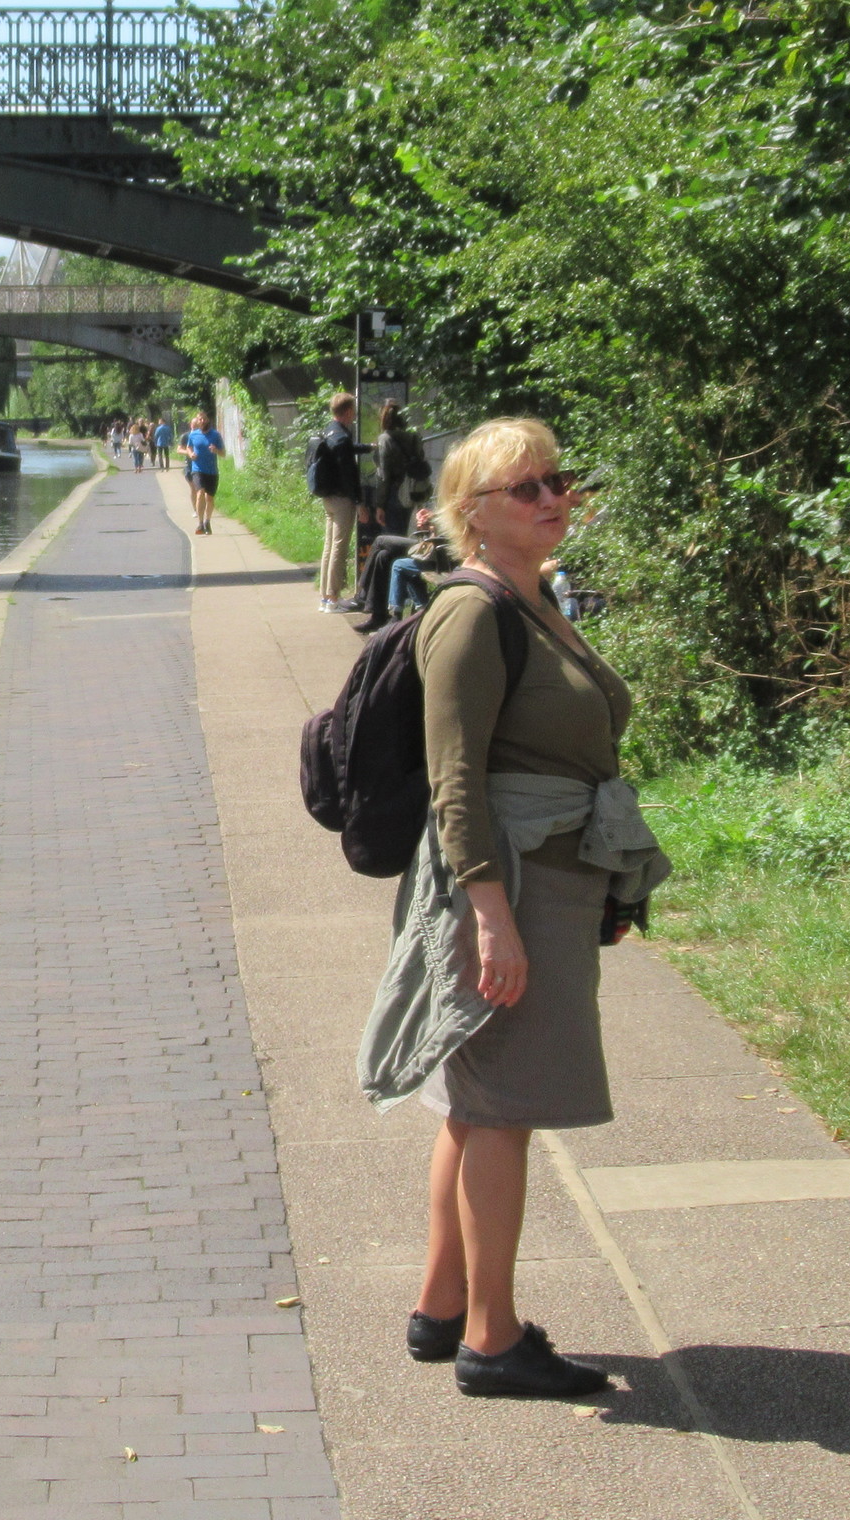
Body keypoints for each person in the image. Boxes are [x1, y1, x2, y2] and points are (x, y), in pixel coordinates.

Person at [357, 417, 666, 1399]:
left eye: (557, 481)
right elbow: (456, 780)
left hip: (551, 879)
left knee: (476, 1102)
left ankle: (444, 1305)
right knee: (503, 1109)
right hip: (510, 886)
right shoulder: (472, 612)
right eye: (525, 488)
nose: (551, 498)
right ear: (472, 513)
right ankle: (493, 1340)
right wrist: (490, 913)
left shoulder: (534, 600)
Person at [306, 391, 371, 613]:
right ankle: (333, 598)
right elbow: (349, 474)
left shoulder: (329, 430)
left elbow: (345, 449)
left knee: (329, 547)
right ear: (349, 411)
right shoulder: (342, 437)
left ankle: (325, 598)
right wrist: (359, 503)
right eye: (354, 410)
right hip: (343, 499)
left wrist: (369, 447)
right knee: (339, 549)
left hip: (328, 497)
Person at [371, 400, 431, 535]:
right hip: (412, 490)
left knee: (391, 537)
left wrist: (380, 505)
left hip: (394, 493)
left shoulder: (385, 439)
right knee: (403, 533)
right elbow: (420, 459)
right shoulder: (414, 437)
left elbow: (383, 476)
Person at [181, 411, 225, 534]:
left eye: (204, 419)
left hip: (212, 470)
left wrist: (216, 450)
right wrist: (191, 454)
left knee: (209, 498)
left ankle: (207, 522)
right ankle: (200, 523)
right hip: (197, 469)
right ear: (197, 421)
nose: (202, 421)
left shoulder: (215, 435)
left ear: (207, 420)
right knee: (200, 493)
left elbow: (223, 453)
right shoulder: (193, 435)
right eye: (200, 419)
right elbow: (189, 447)